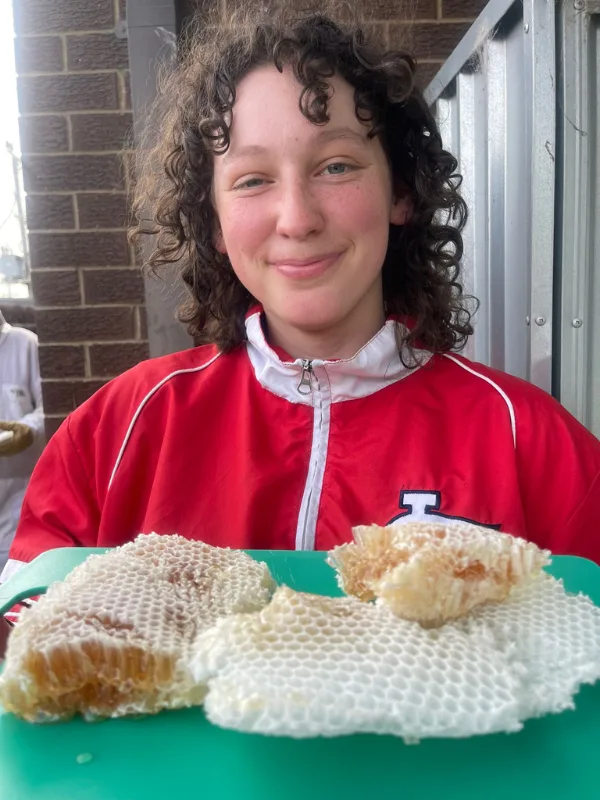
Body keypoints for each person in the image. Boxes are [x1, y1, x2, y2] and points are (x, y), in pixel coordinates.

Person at [0, 7, 599, 654]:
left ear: (401, 191)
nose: (296, 217)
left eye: (336, 165)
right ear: (215, 221)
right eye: (253, 180)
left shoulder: (530, 442)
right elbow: (25, 651)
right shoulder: (117, 430)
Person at [0, 309, 44, 574]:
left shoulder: (25, 344)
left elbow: (49, 406)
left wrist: (28, 429)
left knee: (14, 570)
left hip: (20, 485)